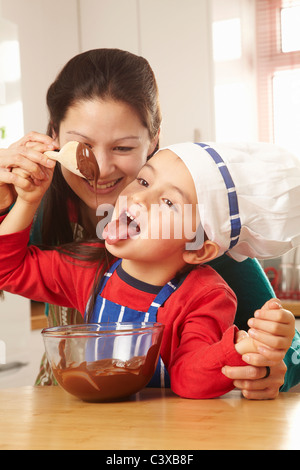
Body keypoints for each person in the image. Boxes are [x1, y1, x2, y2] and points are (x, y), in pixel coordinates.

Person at [0, 49, 298, 397]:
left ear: (153, 140)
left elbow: (286, 352)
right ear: (54, 137)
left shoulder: (200, 229)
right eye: (81, 145)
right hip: (62, 411)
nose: (101, 168)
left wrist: (270, 365)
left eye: (123, 148)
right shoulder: (37, 212)